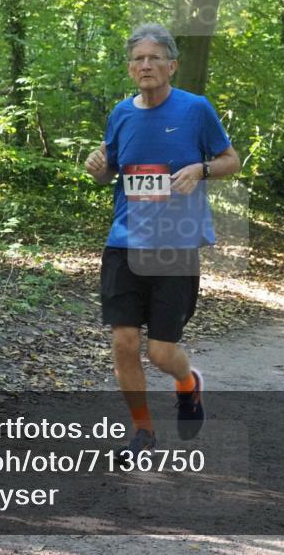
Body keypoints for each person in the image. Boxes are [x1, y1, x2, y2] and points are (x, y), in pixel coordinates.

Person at [85, 23, 239, 464]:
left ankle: (188, 384)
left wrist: (201, 170)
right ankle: (142, 432)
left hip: (175, 246)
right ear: (130, 68)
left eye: (155, 58)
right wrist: (97, 167)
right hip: (124, 243)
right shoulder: (121, 114)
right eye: (139, 59)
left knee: (161, 352)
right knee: (124, 342)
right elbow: (109, 168)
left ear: (172, 65)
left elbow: (232, 160)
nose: (146, 65)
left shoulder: (195, 110)